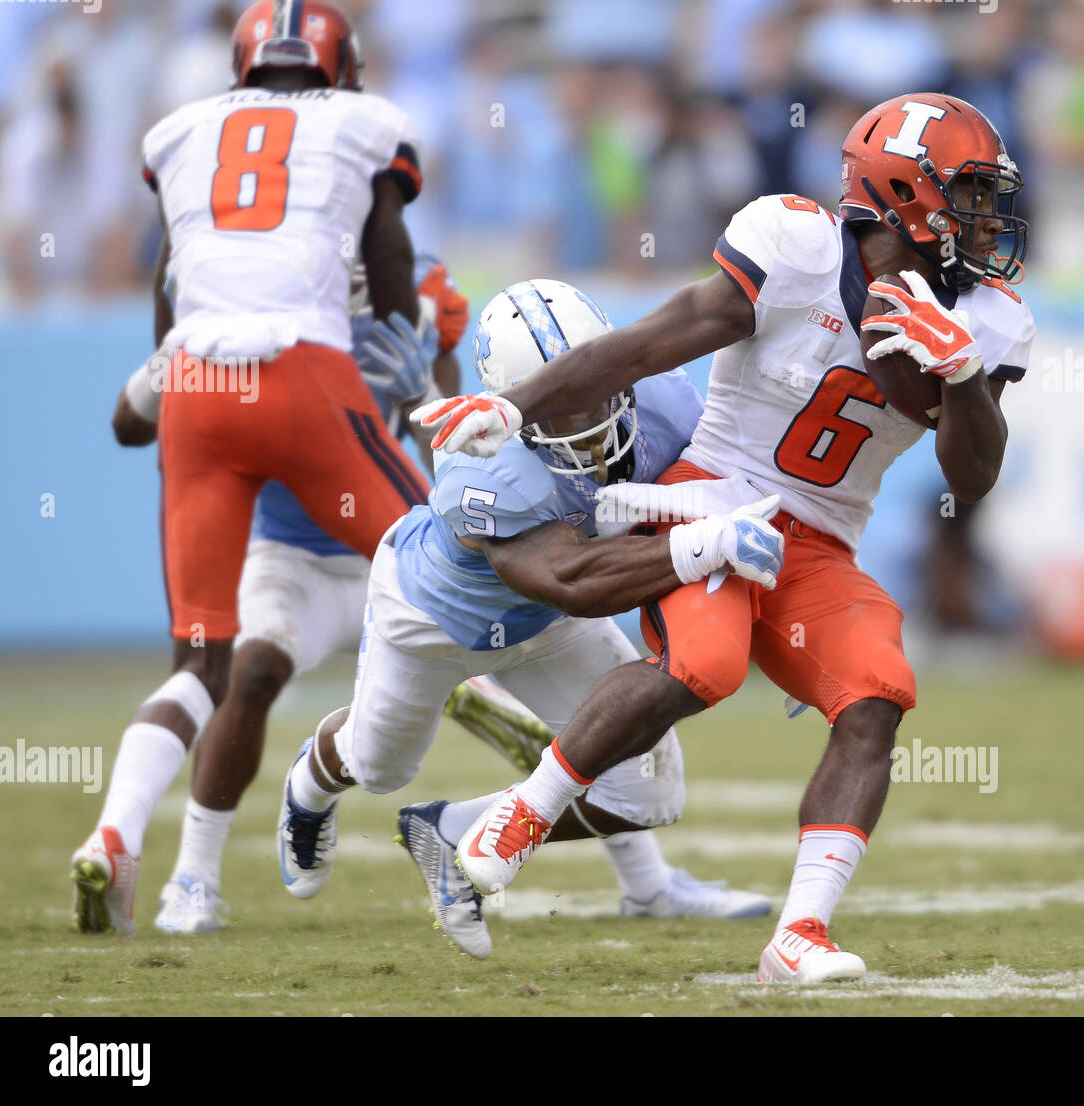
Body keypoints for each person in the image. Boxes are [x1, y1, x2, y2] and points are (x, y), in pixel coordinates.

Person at [417, 93, 1037, 983]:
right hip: (710, 501)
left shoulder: (987, 318)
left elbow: (973, 474)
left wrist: (965, 375)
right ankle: (521, 814)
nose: (988, 214)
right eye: (970, 190)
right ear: (907, 191)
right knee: (703, 663)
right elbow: (649, 345)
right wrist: (515, 404)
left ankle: (800, 937)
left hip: (820, 540)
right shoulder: (796, 246)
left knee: (876, 693)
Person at [278, 278, 776, 960]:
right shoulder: (483, 464)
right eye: (564, 405)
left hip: (543, 628)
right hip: (435, 619)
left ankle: (449, 832)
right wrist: (704, 545)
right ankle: (309, 783)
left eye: (595, 385)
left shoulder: (662, 397)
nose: (591, 416)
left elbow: (712, 487)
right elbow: (570, 579)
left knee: (647, 784)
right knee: (377, 763)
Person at [71, 0, 432, 935]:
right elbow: (388, 249)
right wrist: (397, 337)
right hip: (302, 374)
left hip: (196, 384)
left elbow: (169, 279)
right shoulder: (365, 122)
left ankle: (124, 843)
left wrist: (172, 367)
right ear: (341, 68)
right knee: (451, 562)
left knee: (200, 656)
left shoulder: (181, 128)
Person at [108, 253, 464, 934]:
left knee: (515, 656)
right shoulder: (256, 306)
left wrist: (423, 400)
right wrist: (174, 358)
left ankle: (642, 873)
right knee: (251, 669)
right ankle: (193, 876)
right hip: (292, 554)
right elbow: (137, 417)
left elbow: (446, 455)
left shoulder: (417, 293)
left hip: (385, 545)